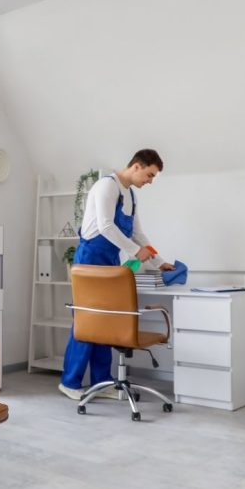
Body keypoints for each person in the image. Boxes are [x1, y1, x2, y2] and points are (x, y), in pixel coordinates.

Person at [59, 149, 175, 401]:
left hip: (111, 261)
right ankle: (70, 382)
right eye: (149, 175)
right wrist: (135, 251)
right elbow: (105, 226)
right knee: (87, 321)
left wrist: (160, 261)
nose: (150, 181)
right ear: (136, 166)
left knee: (107, 323)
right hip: (90, 260)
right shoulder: (106, 187)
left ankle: (102, 382)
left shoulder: (131, 195)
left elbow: (138, 234)